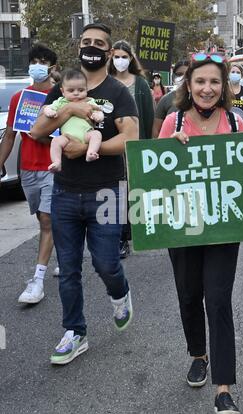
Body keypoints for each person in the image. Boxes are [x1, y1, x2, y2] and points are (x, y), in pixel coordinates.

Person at [31, 23, 139, 365]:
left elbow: (130, 139)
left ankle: (119, 294)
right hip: (64, 193)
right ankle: (75, 332)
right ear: (78, 47)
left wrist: (92, 149)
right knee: (69, 268)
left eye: (98, 43)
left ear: (109, 52)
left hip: (107, 192)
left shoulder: (118, 92)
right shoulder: (62, 90)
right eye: (85, 41)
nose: (90, 47)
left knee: (107, 263)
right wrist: (70, 110)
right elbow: (36, 131)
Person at [158, 52, 243, 414]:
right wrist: (168, 151)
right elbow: (155, 178)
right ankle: (199, 354)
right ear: (188, 85)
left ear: (224, 86)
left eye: (214, 82)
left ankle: (223, 389)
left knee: (219, 300)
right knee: (189, 295)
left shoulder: (236, 122)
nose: (207, 89)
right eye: (200, 81)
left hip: (224, 228)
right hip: (183, 225)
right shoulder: (171, 121)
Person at [0, 43, 58, 304]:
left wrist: (44, 134)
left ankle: (38, 280)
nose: (37, 65)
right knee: (44, 220)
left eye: (43, 61)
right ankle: (66, 254)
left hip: (53, 167)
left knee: (47, 219)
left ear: (52, 67)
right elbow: (10, 135)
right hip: (28, 169)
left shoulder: (61, 97)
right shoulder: (19, 98)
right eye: (34, 60)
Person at [108, 39, 154, 258]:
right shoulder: (106, 83)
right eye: (116, 56)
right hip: (110, 149)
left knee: (134, 193)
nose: (120, 61)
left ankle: (134, 233)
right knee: (116, 193)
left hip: (135, 149)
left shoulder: (141, 84)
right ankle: (119, 238)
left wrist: (147, 147)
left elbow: (148, 118)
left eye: (124, 57)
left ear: (131, 59)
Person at [44, 69, 104, 172]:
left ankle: (91, 153)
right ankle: (57, 162)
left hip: (86, 134)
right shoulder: (60, 102)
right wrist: (49, 112)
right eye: (71, 91)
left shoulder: (90, 101)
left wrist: (98, 116)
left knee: (97, 134)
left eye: (81, 90)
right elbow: (48, 108)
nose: (76, 93)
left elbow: (99, 111)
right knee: (55, 141)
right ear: (63, 91)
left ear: (87, 89)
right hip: (66, 137)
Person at [152, 60, 189, 138]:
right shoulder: (165, 100)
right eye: (179, 74)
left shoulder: (200, 100)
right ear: (173, 77)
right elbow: (156, 130)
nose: (183, 77)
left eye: (187, 74)